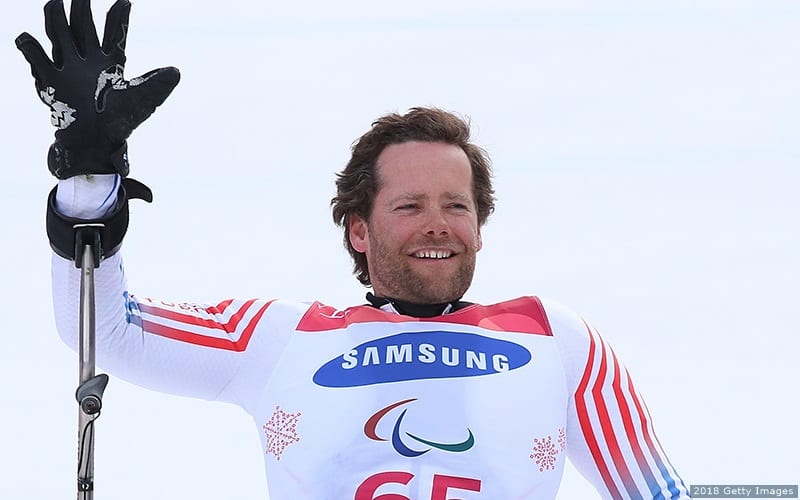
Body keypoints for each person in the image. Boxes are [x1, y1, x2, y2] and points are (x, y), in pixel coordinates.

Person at [18, 1, 691, 498]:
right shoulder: (280, 336)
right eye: (409, 206)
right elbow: (108, 332)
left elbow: (661, 496)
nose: (438, 225)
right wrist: (88, 185)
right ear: (358, 230)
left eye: (456, 206)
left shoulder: (555, 336)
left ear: (480, 226)